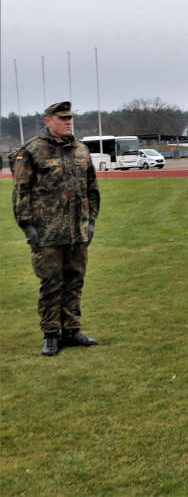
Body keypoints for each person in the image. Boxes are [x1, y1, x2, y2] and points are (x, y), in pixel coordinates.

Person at [11, 101, 101, 356]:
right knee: (51, 284)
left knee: (75, 281)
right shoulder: (32, 151)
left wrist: (90, 221)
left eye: (69, 118)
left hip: (77, 231)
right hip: (47, 233)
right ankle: (51, 334)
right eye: (61, 118)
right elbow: (21, 192)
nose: (67, 122)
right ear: (48, 121)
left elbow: (92, 190)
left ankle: (72, 330)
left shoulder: (81, 150)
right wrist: (28, 227)